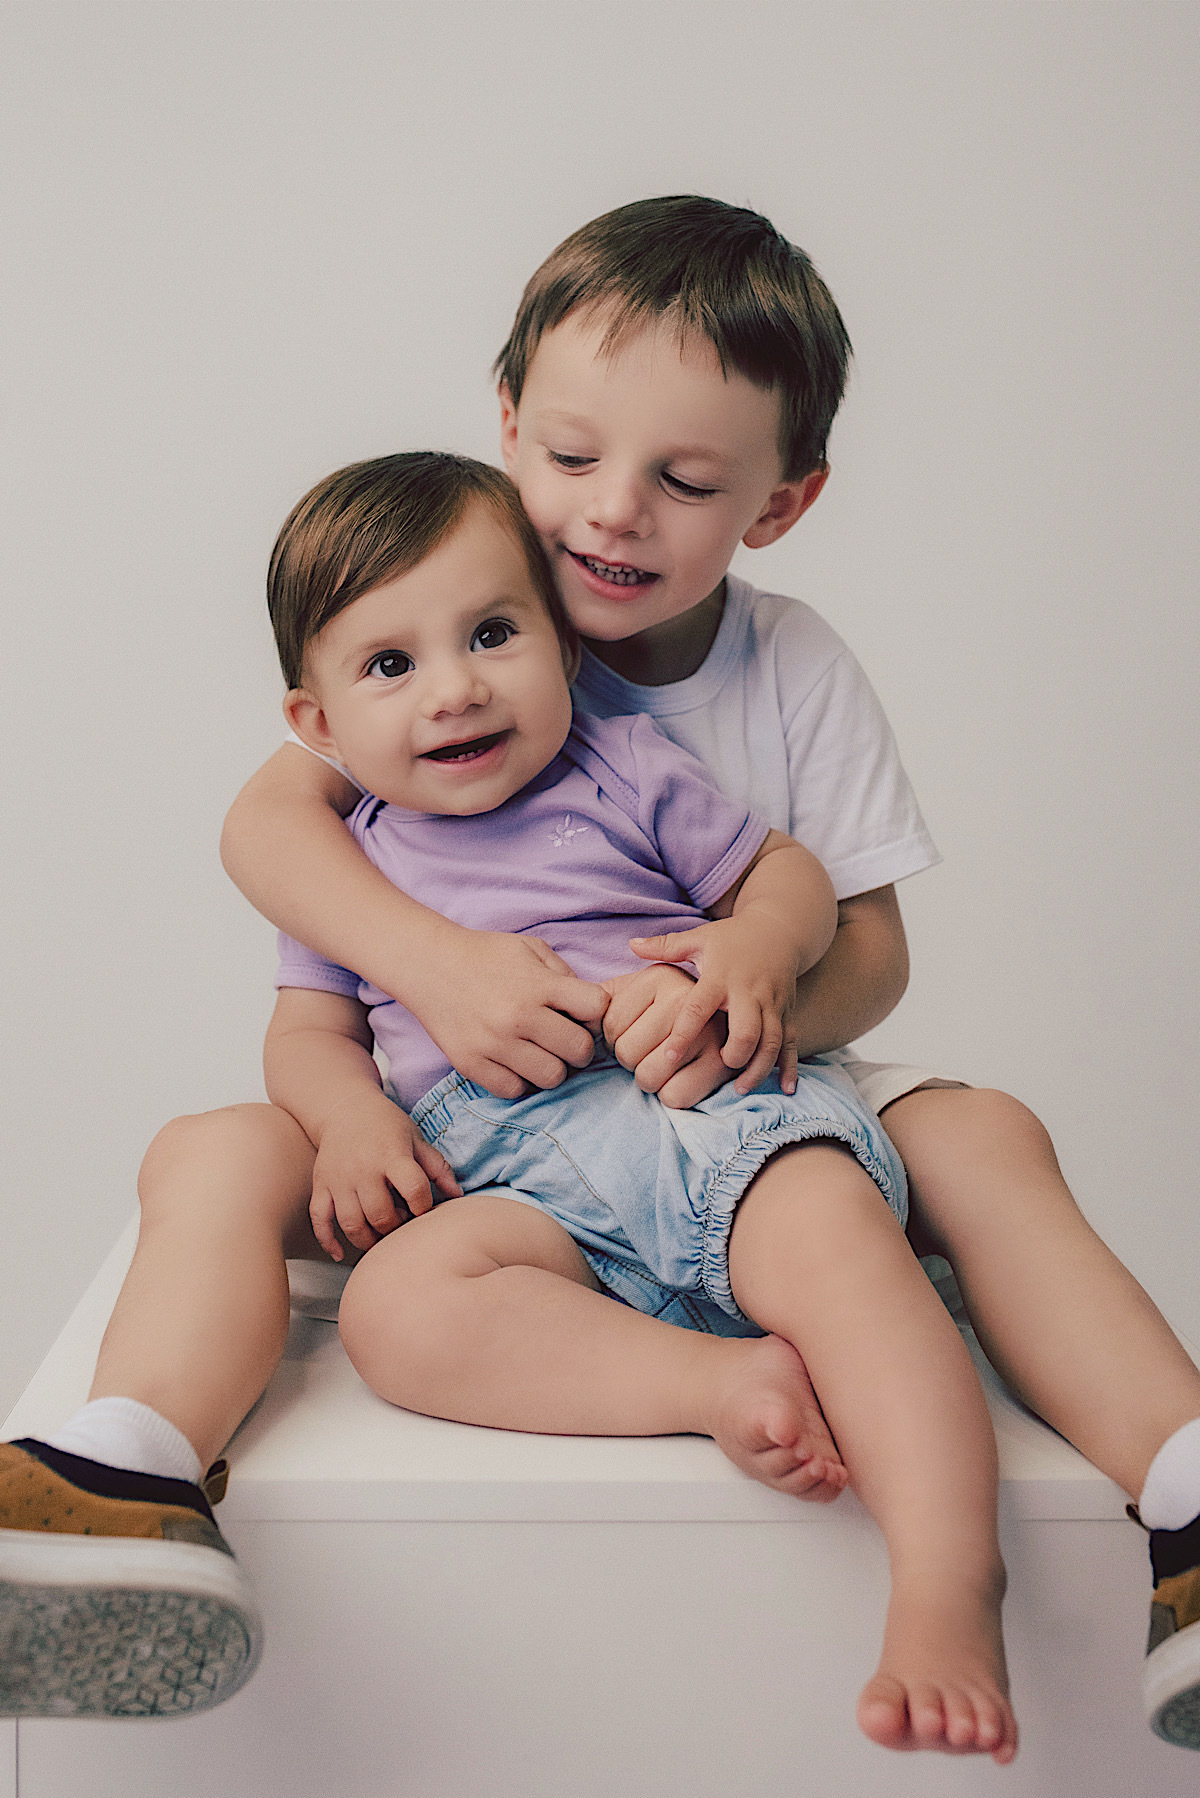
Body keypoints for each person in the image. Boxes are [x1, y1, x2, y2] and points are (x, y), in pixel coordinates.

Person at [4, 199, 1198, 1754]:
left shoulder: (731, 685)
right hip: (486, 1137)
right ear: (508, 428)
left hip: (722, 1090)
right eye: (569, 461)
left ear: (778, 501)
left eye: (686, 479)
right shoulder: (434, 619)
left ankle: (1150, 1491)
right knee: (253, 1189)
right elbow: (271, 838)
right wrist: (435, 982)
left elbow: (858, 932)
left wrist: (749, 981)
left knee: (973, 1143)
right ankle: (131, 1461)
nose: (612, 518)